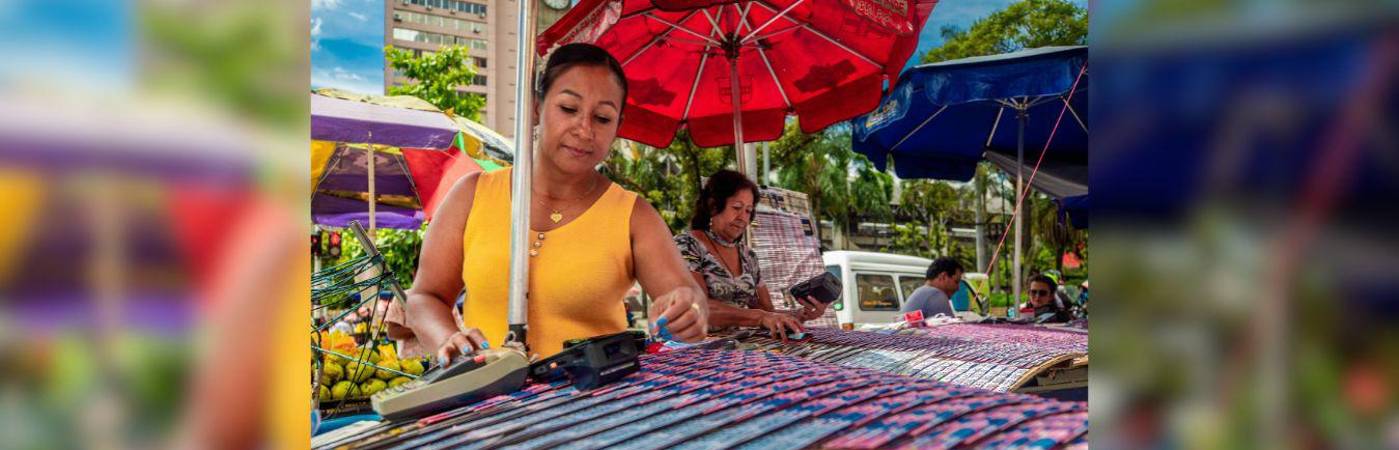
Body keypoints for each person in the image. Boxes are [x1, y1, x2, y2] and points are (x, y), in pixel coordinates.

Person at [401, 43, 708, 363]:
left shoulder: (634, 215)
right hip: (490, 390)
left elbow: (686, 295)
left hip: (601, 391)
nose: (584, 130)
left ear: (618, 126)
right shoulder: (471, 194)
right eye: (568, 108)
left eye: (602, 118)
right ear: (536, 108)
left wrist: (688, 310)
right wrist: (448, 340)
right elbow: (425, 297)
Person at [674, 170, 826, 341]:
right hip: (693, 347)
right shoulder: (687, 245)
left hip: (736, 347)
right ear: (713, 205)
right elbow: (697, 307)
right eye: (736, 208)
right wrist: (759, 317)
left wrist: (801, 314)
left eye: (748, 211)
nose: (743, 218)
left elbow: (767, 311)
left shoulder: (748, 256)